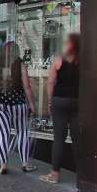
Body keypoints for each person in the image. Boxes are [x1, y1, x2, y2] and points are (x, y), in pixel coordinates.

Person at [0, 42, 37, 174]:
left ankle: (3, 164)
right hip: (18, 104)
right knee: (22, 132)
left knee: (3, 134)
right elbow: (27, 87)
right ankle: (25, 163)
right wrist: (32, 105)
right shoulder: (20, 65)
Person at [40, 33, 80, 184]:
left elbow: (50, 82)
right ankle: (81, 177)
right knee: (77, 139)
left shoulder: (58, 60)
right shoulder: (82, 60)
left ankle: (54, 174)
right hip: (77, 101)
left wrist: (50, 101)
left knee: (59, 139)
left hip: (60, 101)